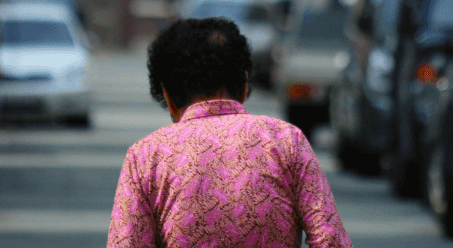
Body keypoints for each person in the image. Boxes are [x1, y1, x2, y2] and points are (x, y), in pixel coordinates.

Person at [107, 17, 353, 248]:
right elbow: (331, 240)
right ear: (244, 85)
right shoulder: (287, 140)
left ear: (168, 97)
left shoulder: (146, 156)